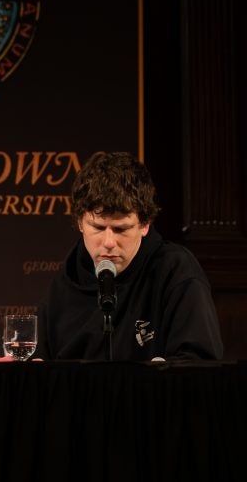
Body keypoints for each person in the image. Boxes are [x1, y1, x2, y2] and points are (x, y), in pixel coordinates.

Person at [38, 151, 223, 361]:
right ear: (80, 222)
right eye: (98, 227)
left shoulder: (175, 271)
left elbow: (199, 365)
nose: (108, 242)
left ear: (144, 225)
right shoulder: (67, 279)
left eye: (120, 229)